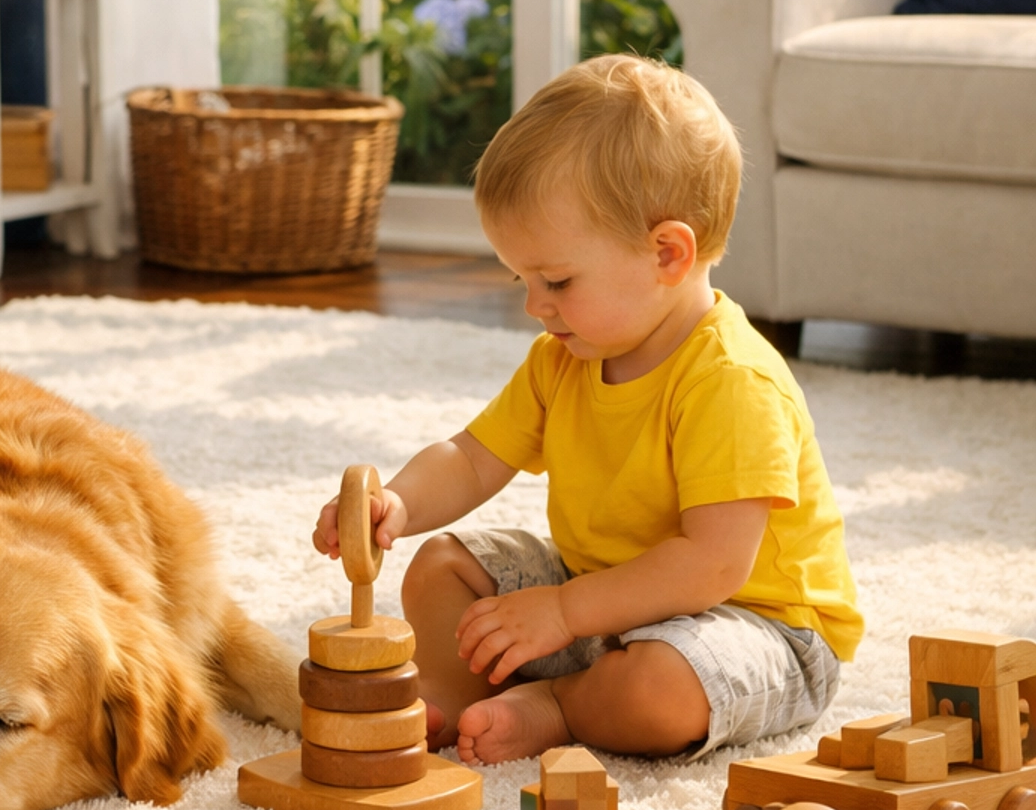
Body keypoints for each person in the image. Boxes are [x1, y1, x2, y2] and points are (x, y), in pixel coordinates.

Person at [313, 55, 860, 766]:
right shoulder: (563, 357)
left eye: (557, 281)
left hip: (753, 624)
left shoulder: (731, 379)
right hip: (597, 591)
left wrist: (565, 613)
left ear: (667, 254)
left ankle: (560, 706)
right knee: (440, 567)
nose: (534, 306)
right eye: (523, 279)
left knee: (660, 689)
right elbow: (472, 458)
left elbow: (714, 566)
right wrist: (399, 503)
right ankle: (462, 698)